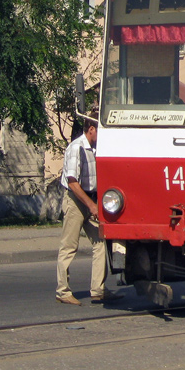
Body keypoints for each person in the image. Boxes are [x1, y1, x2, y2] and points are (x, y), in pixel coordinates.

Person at [56, 122, 120, 305]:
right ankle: (62, 291)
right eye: (100, 130)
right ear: (91, 129)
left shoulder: (96, 148)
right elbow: (72, 182)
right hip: (76, 200)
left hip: (91, 198)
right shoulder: (76, 148)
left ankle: (98, 290)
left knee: (100, 242)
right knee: (69, 246)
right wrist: (91, 205)